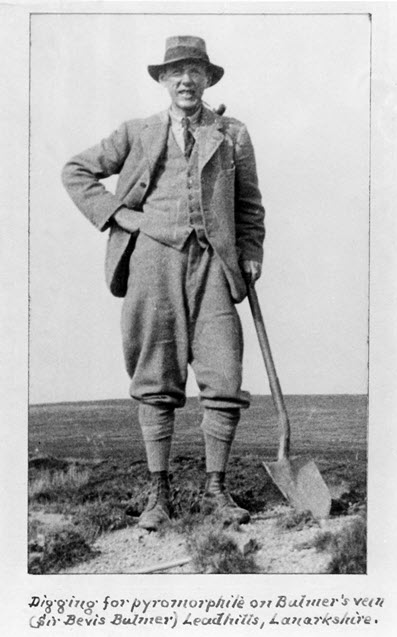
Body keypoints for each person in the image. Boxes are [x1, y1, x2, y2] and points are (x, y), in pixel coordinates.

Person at [62, 35, 265, 531]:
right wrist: (119, 216)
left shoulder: (231, 134)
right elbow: (76, 171)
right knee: (154, 376)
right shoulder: (135, 132)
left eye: (196, 71)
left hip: (214, 265)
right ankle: (159, 494)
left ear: (208, 79)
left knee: (223, 372)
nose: (186, 80)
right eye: (176, 72)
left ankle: (217, 491)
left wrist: (251, 254)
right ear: (162, 81)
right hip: (152, 263)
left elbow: (249, 207)